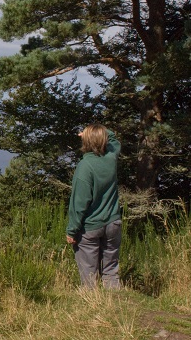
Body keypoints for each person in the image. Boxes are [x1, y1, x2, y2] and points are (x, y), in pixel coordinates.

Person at [66, 123, 122, 289]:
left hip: (90, 227)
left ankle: (92, 305)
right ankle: (115, 302)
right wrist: (98, 132)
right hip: (113, 222)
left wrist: (72, 230)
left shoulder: (85, 167)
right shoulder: (111, 157)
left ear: (86, 142)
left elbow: (79, 203)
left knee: (89, 275)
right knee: (111, 269)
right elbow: (114, 139)